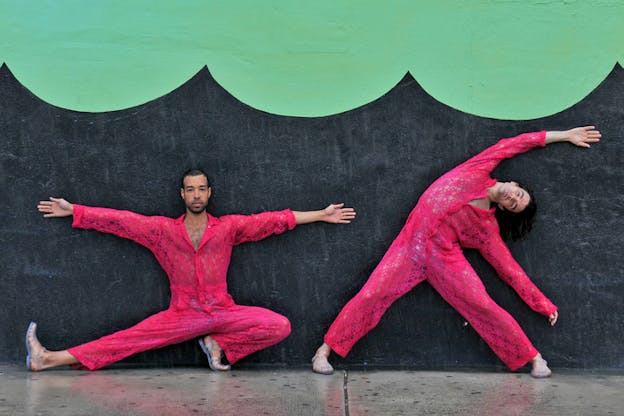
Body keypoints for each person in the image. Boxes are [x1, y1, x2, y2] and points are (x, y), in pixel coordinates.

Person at [311, 126, 601, 378]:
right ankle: (323, 353)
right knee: (371, 295)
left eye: (514, 205)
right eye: (518, 195)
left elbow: (511, 272)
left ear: (504, 209)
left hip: (444, 260)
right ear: (514, 184)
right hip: (409, 247)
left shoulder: (486, 230)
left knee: (482, 305)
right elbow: (517, 142)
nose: (513, 198)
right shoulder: (478, 168)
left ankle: (534, 359)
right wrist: (565, 136)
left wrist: (543, 305)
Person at [27, 169, 356, 371]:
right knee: (127, 340)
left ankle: (219, 346)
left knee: (279, 325)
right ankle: (48, 359)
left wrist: (320, 214)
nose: (197, 194)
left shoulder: (227, 228)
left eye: (202, 189)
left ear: (209, 193)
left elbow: (272, 221)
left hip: (223, 312)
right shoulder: (162, 231)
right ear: (182, 194)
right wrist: (76, 211)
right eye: (191, 189)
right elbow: (121, 221)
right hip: (182, 314)